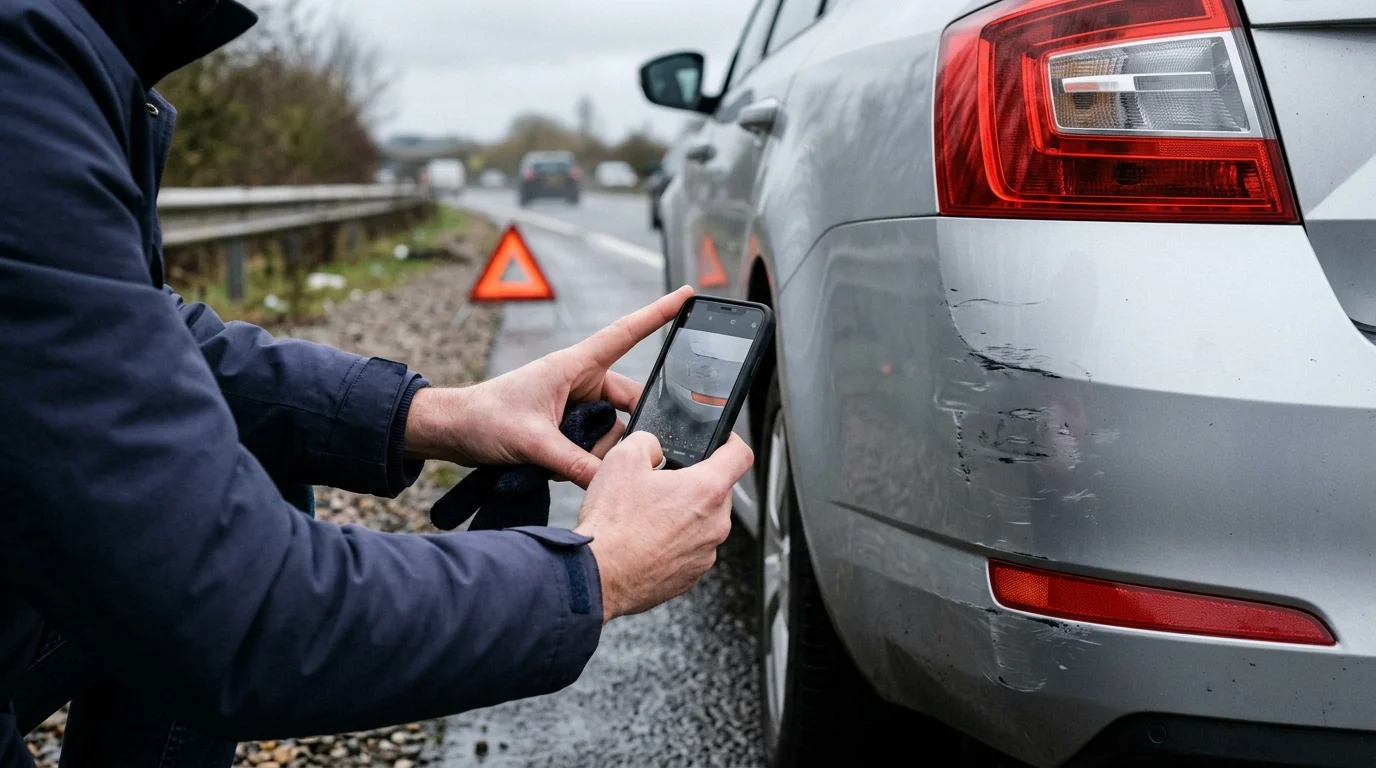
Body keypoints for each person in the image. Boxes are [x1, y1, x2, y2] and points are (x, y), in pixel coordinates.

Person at [0, 1, 753, 766]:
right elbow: (235, 610)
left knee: (259, 452)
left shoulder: (58, 61)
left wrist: (434, 413)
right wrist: (599, 571)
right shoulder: (20, 76)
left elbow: (148, 344)